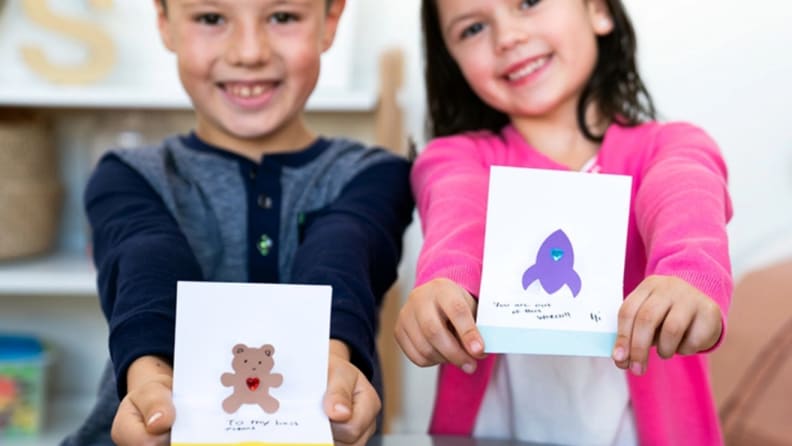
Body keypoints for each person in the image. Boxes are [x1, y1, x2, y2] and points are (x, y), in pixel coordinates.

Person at [62, 1, 413, 445]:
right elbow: (143, 258)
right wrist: (151, 377)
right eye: (211, 19)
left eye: (282, 17)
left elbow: (345, 249)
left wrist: (330, 356)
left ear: (330, 22)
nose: (249, 53)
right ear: (164, 24)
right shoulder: (127, 174)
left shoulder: (376, 175)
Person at [395, 0, 732, 445]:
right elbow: (456, 208)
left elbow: (685, 189)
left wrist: (688, 273)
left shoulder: (671, 146)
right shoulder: (457, 158)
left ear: (599, 10)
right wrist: (445, 283)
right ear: (450, 60)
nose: (507, 36)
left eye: (529, 3)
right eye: (473, 28)